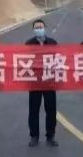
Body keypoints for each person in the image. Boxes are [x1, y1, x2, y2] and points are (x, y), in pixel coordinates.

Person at [24, 18, 58, 147]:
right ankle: (34, 136)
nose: (39, 29)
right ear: (33, 30)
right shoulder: (28, 44)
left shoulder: (53, 43)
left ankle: (50, 136)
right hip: (35, 82)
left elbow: (59, 61)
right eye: (37, 28)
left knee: (51, 110)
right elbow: (23, 62)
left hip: (49, 81)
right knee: (34, 110)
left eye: (41, 27)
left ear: (45, 28)